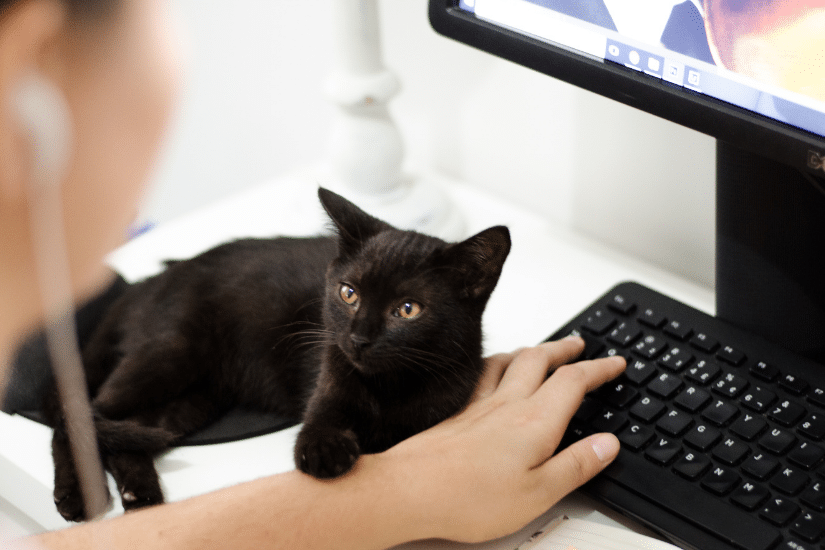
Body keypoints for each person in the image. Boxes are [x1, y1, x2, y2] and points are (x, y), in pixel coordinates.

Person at [0, 1, 625, 548]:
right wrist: (403, 496)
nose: (356, 331)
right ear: (34, 69)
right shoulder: (334, 339)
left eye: (403, 310)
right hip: (213, 299)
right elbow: (322, 431)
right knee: (152, 375)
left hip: (241, 365)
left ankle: (117, 441)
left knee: (181, 407)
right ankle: (81, 430)